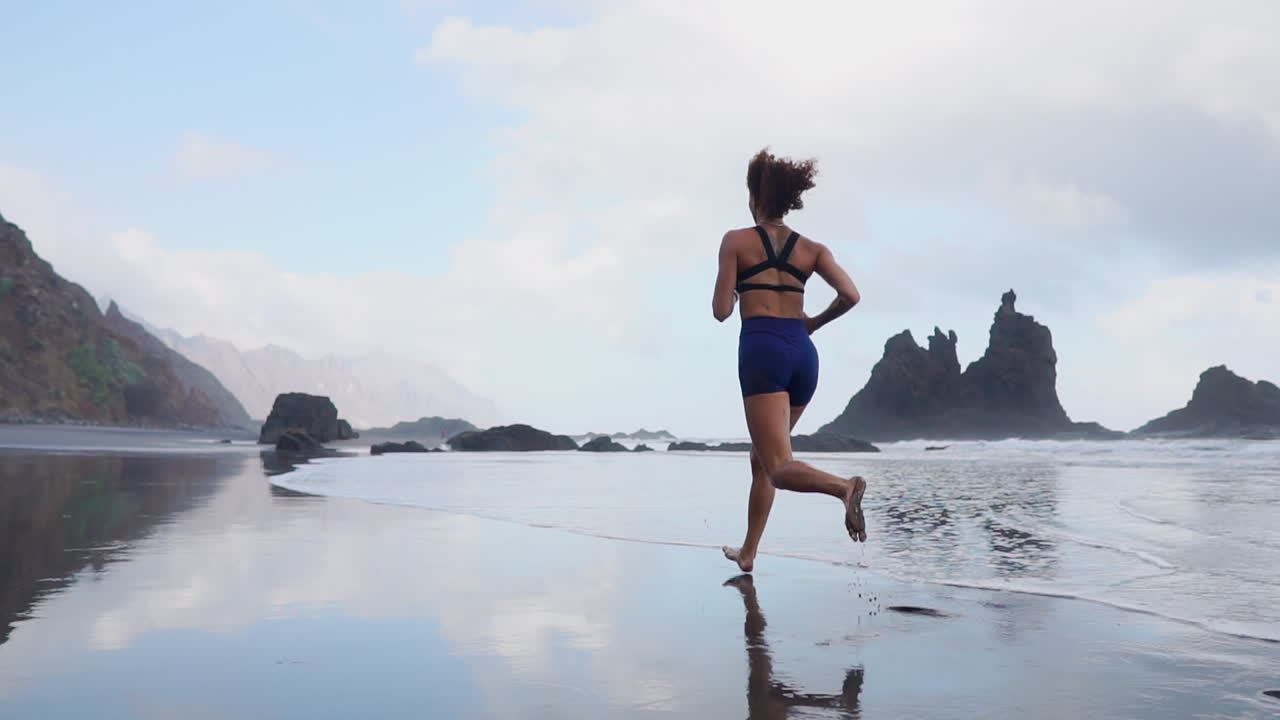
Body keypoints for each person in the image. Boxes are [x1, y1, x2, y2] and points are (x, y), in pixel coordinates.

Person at [712, 148, 867, 573]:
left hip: (762, 352)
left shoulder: (735, 241)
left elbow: (721, 310)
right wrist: (813, 321)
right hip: (803, 354)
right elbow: (851, 296)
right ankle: (748, 554)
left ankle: (844, 487)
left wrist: (742, 286)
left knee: (778, 466)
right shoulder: (812, 249)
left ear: (755, 198)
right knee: (761, 459)